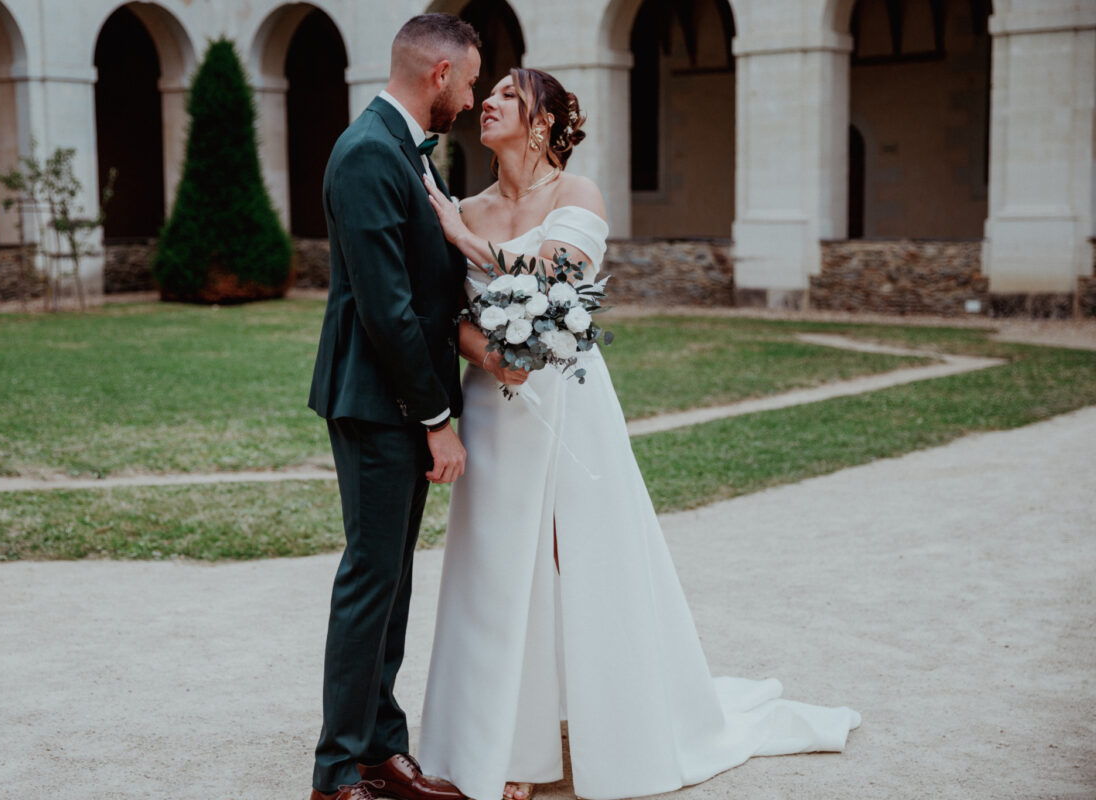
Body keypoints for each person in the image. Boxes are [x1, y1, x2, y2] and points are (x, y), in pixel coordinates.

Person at [416, 68, 862, 800]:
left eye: (505, 94)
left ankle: (607, 725)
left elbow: (560, 277)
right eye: (485, 91)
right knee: (499, 570)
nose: (487, 102)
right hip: (496, 407)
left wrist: (464, 241)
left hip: (569, 402)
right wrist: (487, 351)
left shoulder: (575, 194)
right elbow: (444, 314)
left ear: (540, 121)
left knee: (583, 556)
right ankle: (512, 752)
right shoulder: (461, 203)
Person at [306, 14, 482, 800]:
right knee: (371, 578)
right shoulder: (369, 154)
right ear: (439, 73)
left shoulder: (407, 152)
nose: (474, 100)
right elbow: (387, 309)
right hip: (379, 402)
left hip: (395, 399)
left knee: (393, 579)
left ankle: (380, 747)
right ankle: (335, 772)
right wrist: (437, 418)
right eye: (472, 82)